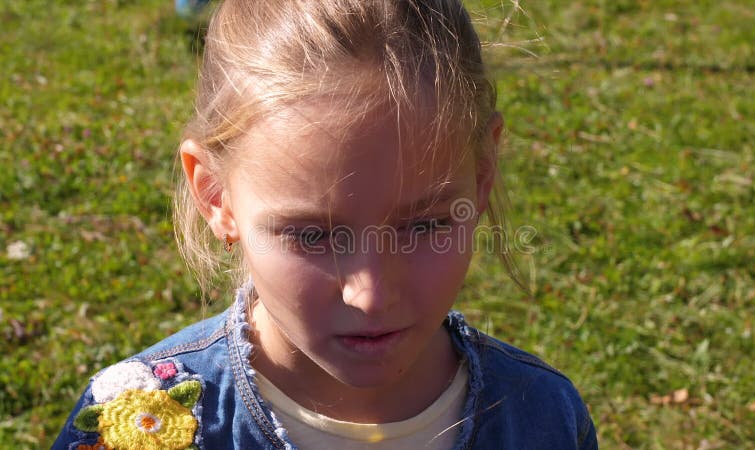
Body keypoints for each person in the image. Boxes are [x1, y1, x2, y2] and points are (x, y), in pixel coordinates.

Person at [54, 1, 598, 448]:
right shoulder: (131, 426)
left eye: (426, 224)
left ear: (481, 177)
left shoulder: (541, 418)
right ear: (215, 195)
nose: (371, 295)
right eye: (313, 235)